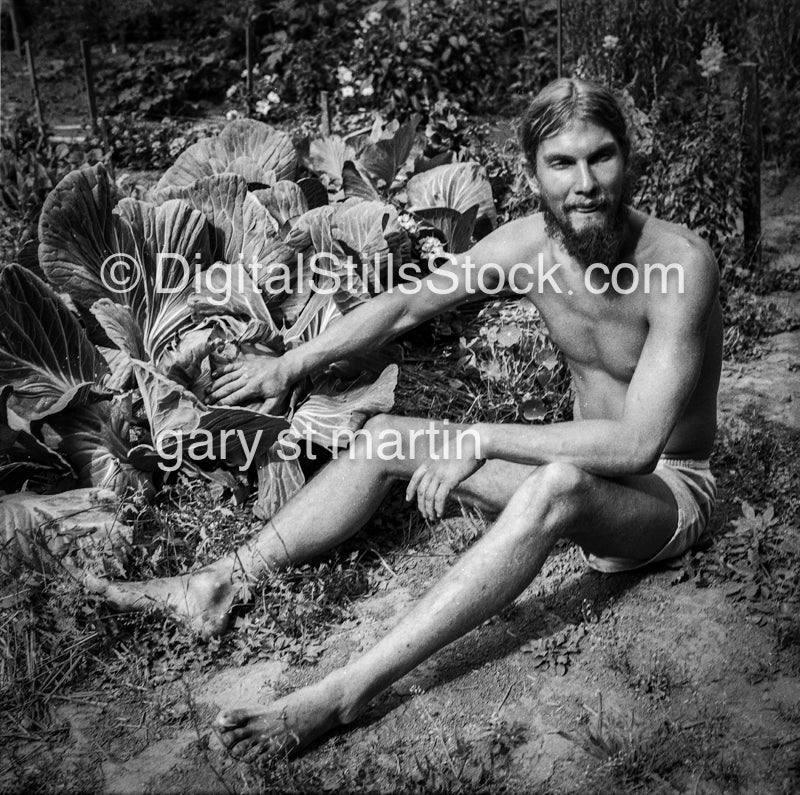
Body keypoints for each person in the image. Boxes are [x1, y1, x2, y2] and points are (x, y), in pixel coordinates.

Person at [87, 77, 722, 758]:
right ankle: (218, 582)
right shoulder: (527, 247)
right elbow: (407, 306)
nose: (586, 181)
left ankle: (345, 691)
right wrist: (288, 365)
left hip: (666, 495)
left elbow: (635, 443)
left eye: (601, 157)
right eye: (562, 163)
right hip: (575, 478)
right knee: (387, 436)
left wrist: (478, 437)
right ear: (533, 173)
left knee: (560, 483)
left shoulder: (678, 266)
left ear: (628, 158)